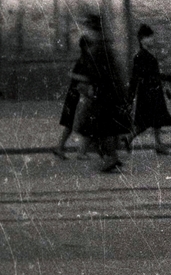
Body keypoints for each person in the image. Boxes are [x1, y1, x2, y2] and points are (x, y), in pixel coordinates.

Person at [77, 13, 131, 174]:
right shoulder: (102, 46)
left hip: (106, 96)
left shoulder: (99, 49)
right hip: (108, 94)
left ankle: (112, 157)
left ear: (94, 30)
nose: (87, 33)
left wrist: (88, 84)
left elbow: (103, 73)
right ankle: (111, 157)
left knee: (102, 127)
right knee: (102, 128)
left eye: (89, 29)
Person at [130, 24, 171, 155]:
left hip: (153, 90)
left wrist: (164, 85)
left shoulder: (147, 54)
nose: (151, 40)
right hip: (148, 91)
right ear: (142, 40)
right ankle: (128, 138)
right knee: (148, 121)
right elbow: (145, 74)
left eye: (151, 37)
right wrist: (166, 77)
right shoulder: (141, 56)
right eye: (148, 37)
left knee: (157, 120)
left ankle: (158, 144)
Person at [52, 27, 94, 158]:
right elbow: (83, 78)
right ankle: (81, 152)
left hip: (74, 94)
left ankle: (60, 147)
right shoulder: (86, 61)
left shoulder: (83, 59)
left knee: (70, 124)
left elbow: (75, 76)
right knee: (86, 123)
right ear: (87, 47)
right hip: (79, 95)